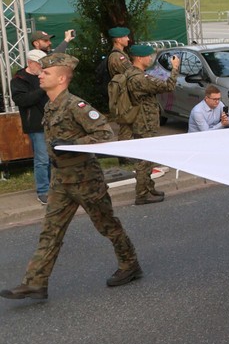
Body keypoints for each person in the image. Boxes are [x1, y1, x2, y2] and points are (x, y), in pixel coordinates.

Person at [1, 53, 141, 301]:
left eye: (46, 73)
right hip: (61, 179)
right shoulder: (51, 104)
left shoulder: (76, 105)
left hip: (86, 179)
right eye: (41, 72)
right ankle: (35, 283)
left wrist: (72, 143)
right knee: (50, 231)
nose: (40, 75)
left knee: (107, 225)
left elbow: (106, 135)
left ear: (62, 78)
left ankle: (130, 264)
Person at [124, 44, 180, 204]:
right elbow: (169, 86)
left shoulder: (131, 74)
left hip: (142, 121)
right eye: (148, 56)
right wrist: (175, 68)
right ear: (140, 58)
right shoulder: (140, 78)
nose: (150, 59)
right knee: (144, 159)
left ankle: (149, 187)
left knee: (148, 156)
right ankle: (142, 194)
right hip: (145, 123)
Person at [12, 49, 51, 204]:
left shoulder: (45, 74)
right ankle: (43, 190)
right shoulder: (19, 79)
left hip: (51, 121)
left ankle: (53, 186)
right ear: (30, 63)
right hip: (35, 124)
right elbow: (22, 100)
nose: (42, 67)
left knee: (53, 157)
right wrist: (42, 88)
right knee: (42, 159)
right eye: (39, 64)